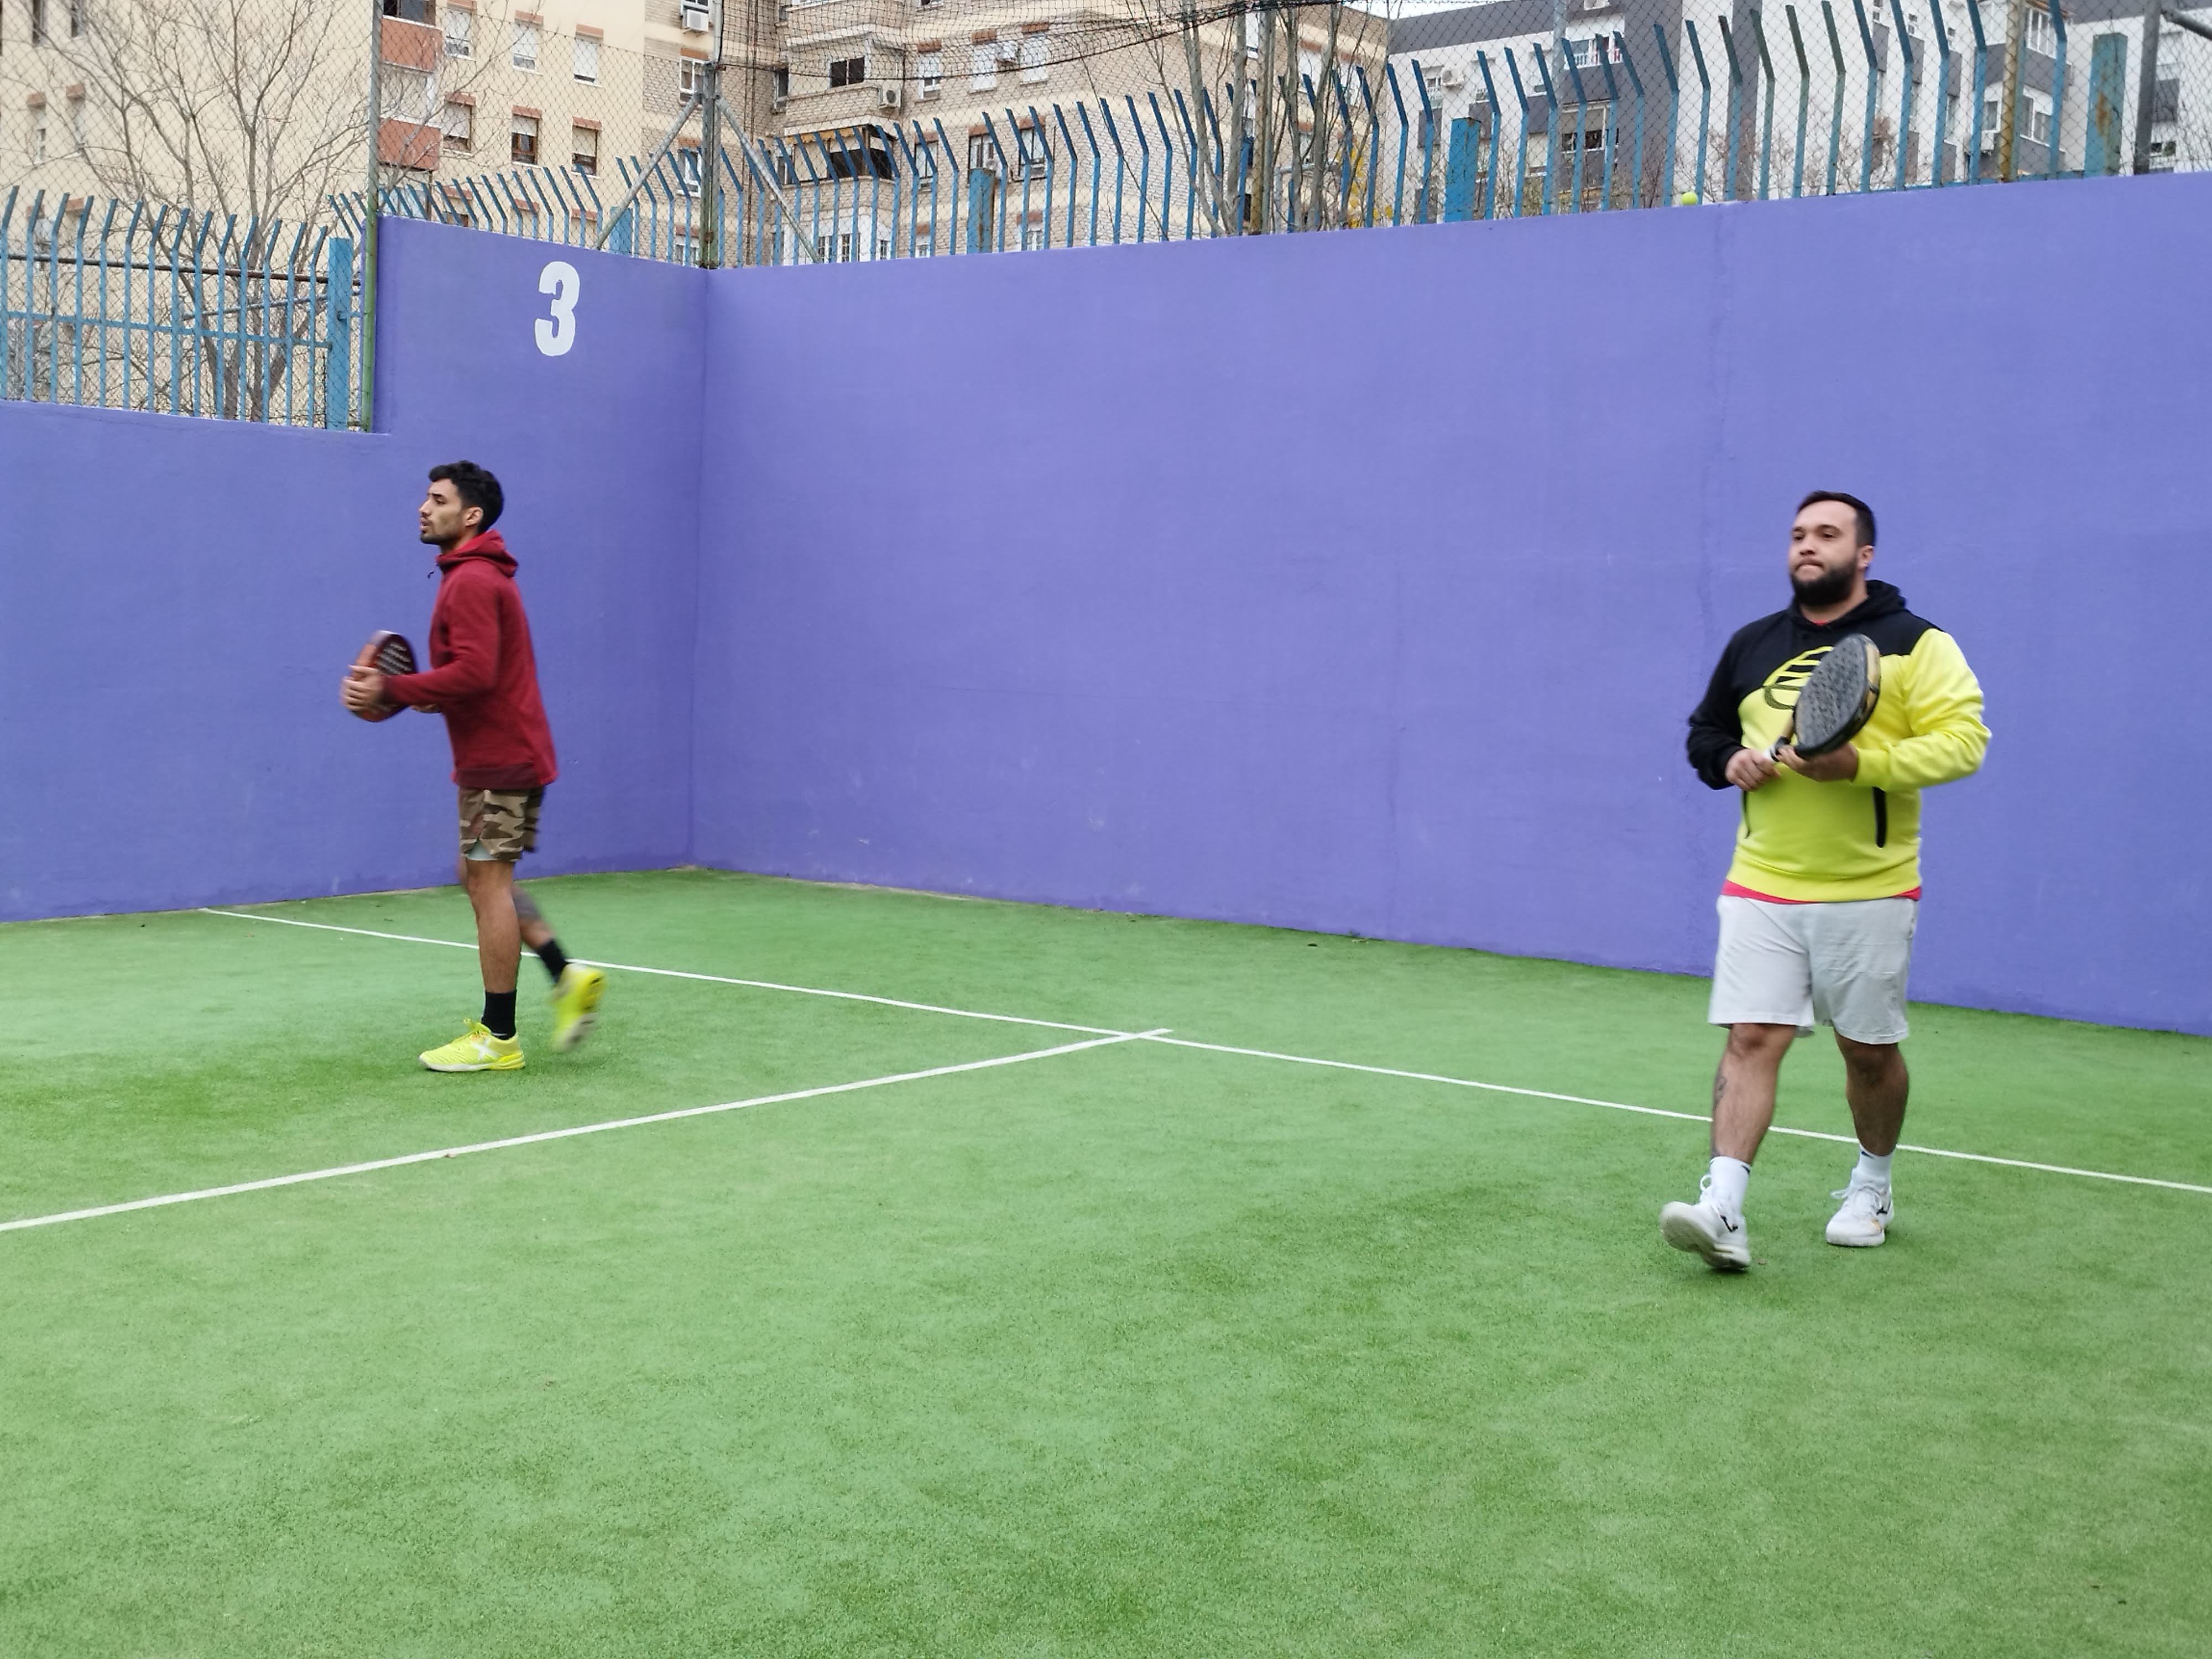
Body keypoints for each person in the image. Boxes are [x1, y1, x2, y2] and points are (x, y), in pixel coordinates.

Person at [1662, 491, 1988, 1269]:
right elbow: (1705, 732)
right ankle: (1723, 1208)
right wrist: (1729, 761)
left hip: (1869, 887)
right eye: (1798, 534)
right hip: (1760, 881)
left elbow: (1963, 742)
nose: (1808, 545)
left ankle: (1871, 1186)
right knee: (1751, 1037)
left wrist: (1859, 764)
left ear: (1863, 554)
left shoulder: (1916, 642)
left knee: (1866, 1052)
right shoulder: (1753, 643)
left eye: (1828, 534)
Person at [341, 461, 606, 1071]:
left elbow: (476, 673)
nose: (423, 508)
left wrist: (390, 689)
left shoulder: (473, 581)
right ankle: (565, 974)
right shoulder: (471, 576)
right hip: (502, 756)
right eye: (425, 498)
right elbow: (473, 675)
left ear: (471, 515)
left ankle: (499, 1037)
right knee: (479, 875)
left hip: (500, 763)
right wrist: (425, 694)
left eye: (438, 500)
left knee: (488, 887)